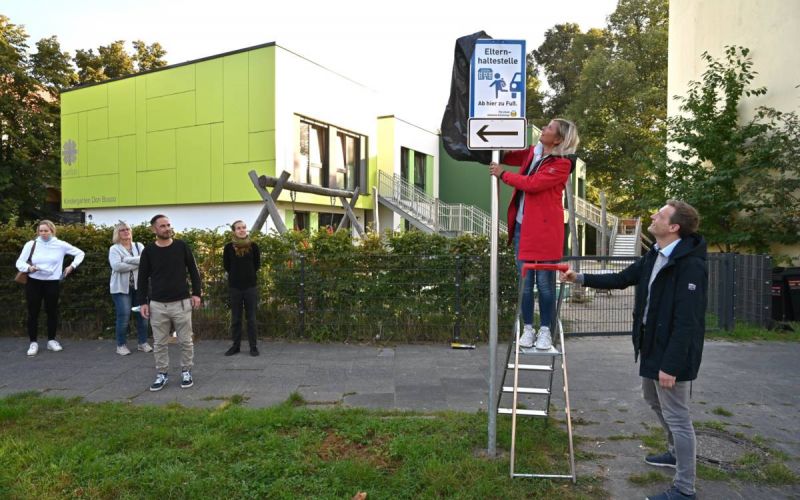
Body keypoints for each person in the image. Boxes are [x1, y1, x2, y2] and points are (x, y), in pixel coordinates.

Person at [560, 200, 707, 500]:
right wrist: (580, 278)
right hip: (651, 344)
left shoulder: (690, 265)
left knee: (678, 417)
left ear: (674, 227)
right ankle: (673, 451)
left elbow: (687, 321)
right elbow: (622, 278)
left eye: (661, 215)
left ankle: (684, 488)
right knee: (651, 397)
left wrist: (672, 365)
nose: (653, 216)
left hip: (671, 354)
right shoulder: (655, 254)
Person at [489, 119, 579, 350]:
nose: (544, 129)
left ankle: (546, 330)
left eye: (549, 128)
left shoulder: (562, 164)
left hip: (546, 231)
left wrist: (502, 174)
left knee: (546, 285)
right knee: (526, 283)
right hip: (523, 227)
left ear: (558, 139)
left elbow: (532, 183)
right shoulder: (533, 152)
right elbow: (508, 155)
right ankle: (528, 328)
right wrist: (491, 141)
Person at [137, 215, 202, 392]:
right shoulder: (149, 251)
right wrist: (142, 302)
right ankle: (162, 374)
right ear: (154, 230)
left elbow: (194, 271)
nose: (167, 228)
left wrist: (196, 293)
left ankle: (186, 371)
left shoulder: (182, 246)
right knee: (159, 343)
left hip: (181, 303)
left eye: (168, 225)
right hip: (157, 305)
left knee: (186, 341)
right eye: (162, 226)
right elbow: (142, 278)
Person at [15, 220, 85, 356]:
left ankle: (51, 340)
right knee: (33, 312)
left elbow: (80, 253)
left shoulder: (60, 245)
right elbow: (19, 262)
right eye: (40, 231)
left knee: (52, 312)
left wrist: (71, 266)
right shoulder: (31, 244)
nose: (43, 233)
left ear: (52, 231)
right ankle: (33, 342)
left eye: (46, 231)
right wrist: (29, 268)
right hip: (34, 282)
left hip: (52, 282)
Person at [108, 221, 152, 356]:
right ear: (117, 233)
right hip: (121, 289)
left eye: (127, 229)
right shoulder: (114, 249)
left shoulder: (139, 246)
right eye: (122, 230)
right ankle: (121, 345)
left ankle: (142, 343)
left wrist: (126, 260)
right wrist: (136, 263)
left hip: (140, 288)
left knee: (143, 316)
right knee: (124, 317)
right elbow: (117, 267)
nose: (126, 231)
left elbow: (147, 262)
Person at [223, 220, 261, 356]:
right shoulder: (228, 247)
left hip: (250, 287)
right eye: (238, 228)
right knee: (236, 318)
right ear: (234, 231)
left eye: (244, 227)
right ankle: (235, 346)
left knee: (251, 318)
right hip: (235, 287)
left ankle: (253, 347)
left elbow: (257, 264)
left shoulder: (253, 246)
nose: (242, 230)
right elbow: (226, 265)